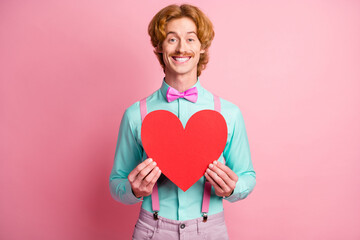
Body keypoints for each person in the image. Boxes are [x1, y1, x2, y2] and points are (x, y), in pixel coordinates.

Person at [109, 4, 256, 239]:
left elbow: (247, 174)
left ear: (202, 47)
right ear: (158, 46)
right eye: (171, 39)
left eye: (190, 39)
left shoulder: (229, 113)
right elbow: (116, 182)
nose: (181, 48)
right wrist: (133, 190)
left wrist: (233, 188)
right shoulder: (136, 114)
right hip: (152, 230)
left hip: (210, 231)